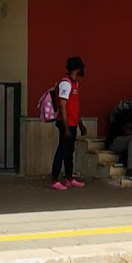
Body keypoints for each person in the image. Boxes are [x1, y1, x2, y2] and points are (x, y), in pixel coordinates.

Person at [50, 57, 88, 191]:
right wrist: (66, 127)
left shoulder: (75, 84)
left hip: (72, 123)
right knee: (61, 151)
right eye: (80, 68)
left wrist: (80, 124)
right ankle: (54, 179)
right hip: (66, 124)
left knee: (69, 151)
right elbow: (62, 106)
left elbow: (74, 107)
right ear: (76, 69)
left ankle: (69, 177)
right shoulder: (66, 84)